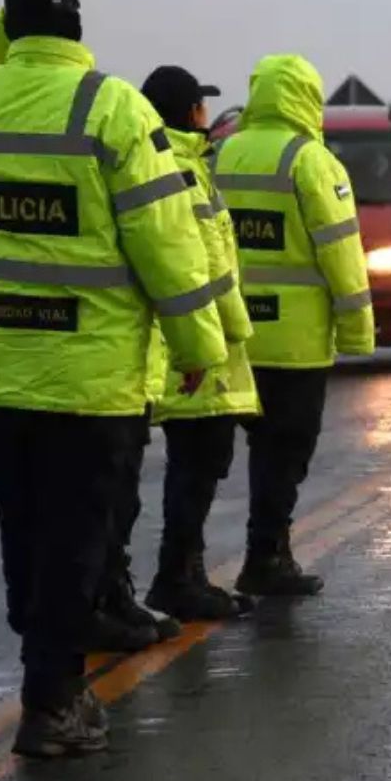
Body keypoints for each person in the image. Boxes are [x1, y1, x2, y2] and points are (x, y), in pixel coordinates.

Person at [0, 0, 227, 758]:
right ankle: (51, 699)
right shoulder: (112, 108)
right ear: (77, 22)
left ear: (10, 25)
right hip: (90, 376)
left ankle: (48, 673)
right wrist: (198, 345)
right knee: (76, 537)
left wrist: (3, 32)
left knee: (24, 528)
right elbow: (166, 244)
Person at [215, 55, 374, 597]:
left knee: (208, 459)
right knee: (283, 455)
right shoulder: (311, 162)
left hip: (231, 335)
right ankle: (266, 556)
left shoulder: (221, 154)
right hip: (295, 344)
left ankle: (187, 567)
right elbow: (342, 256)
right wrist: (357, 333)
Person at [135, 65, 260, 621]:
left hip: (187, 337)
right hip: (196, 343)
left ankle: (185, 575)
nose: (207, 115)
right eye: (201, 106)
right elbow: (208, 267)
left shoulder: (167, 164)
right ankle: (176, 578)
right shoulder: (182, 171)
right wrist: (230, 336)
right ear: (190, 113)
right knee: (198, 463)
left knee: (197, 461)